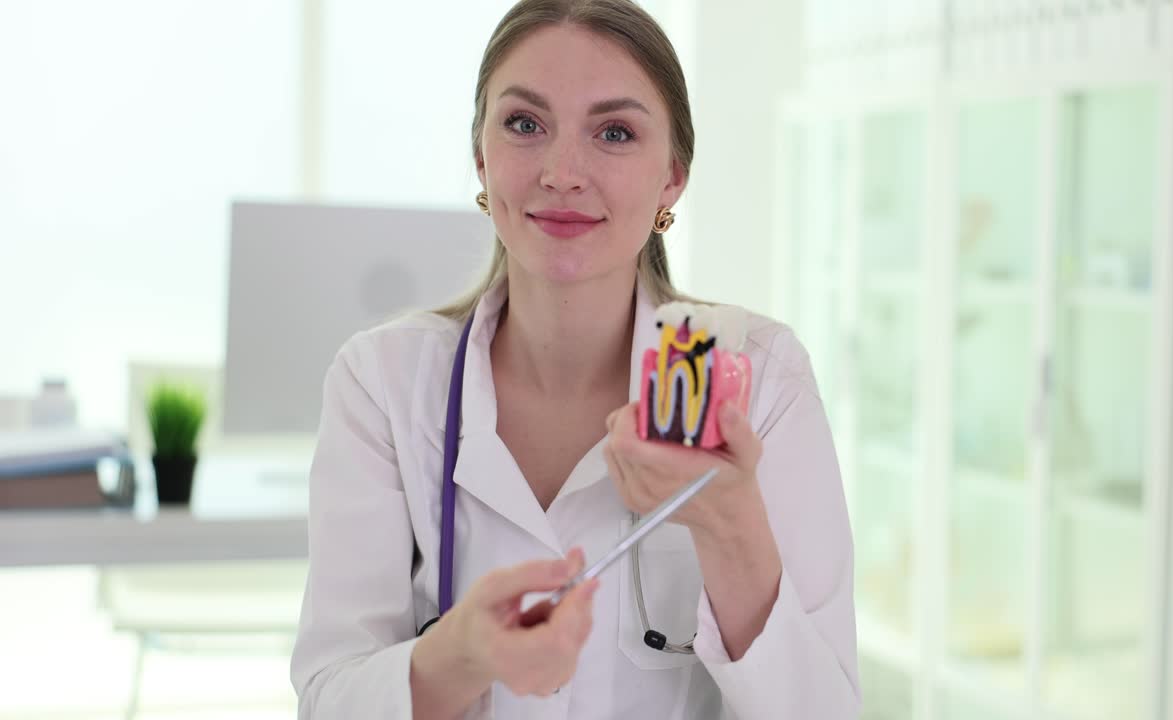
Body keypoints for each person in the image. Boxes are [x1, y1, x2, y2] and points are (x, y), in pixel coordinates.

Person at [289, 1, 860, 717]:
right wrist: (459, 656)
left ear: (673, 178)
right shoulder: (383, 384)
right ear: (481, 156)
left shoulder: (763, 381)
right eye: (525, 125)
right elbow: (329, 698)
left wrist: (730, 526)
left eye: (615, 132)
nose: (562, 172)